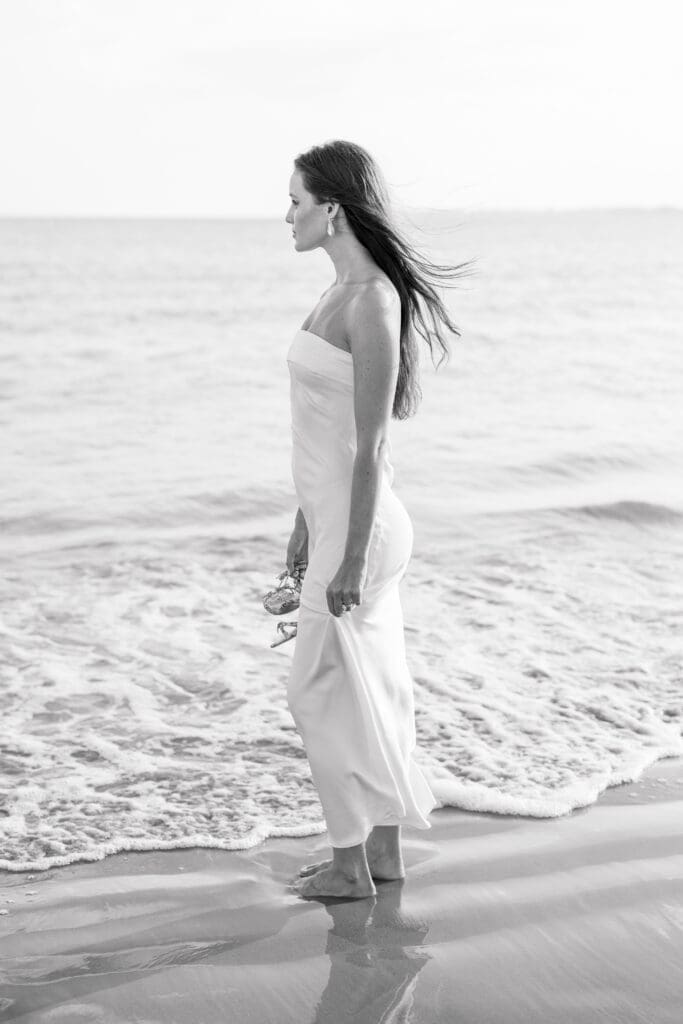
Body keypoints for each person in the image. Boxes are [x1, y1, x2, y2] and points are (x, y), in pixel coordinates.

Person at [284, 140, 471, 899]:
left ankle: (347, 865)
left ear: (331, 210)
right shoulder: (331, 295)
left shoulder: (370, 302)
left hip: (365, 529)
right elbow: (315, 434)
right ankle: (382, 855)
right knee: (373, 690)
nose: (285, 215)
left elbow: (371, 446)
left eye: (294, 201)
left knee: (315, 691)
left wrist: (350, 557)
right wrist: (303, 527)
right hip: (336, 521)